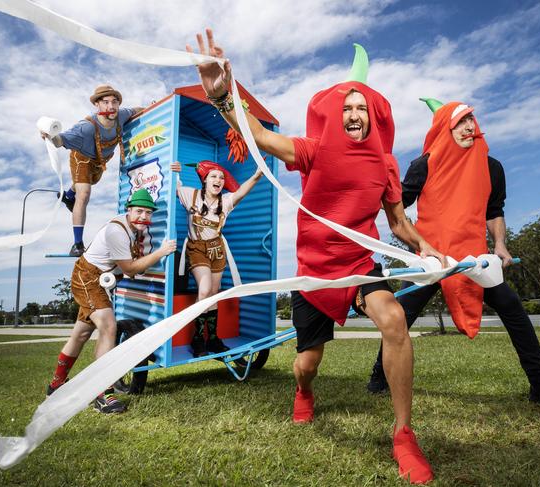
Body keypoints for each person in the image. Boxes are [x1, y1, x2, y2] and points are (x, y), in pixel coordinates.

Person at [187, 29, 446, 484]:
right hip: (314, 271)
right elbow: (263, 138)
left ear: (374, 117)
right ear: (333, 114)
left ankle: (404, 433)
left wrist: (426, 248)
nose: (352, 114)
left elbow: (400, 225)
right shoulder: (314, 150)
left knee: (395, 320)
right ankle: (304, 393)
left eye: (360, 108)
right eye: (345, 108)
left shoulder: (385, 164)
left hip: (361, 264)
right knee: (308, 363)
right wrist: (223, 97)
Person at [366, 98, 540, 414]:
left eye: (471, 120)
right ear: (444, 128)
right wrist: (421, 245)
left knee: (512, 308)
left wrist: (500, 245)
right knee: (400, 316)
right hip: (433, 259)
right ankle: (378, 379)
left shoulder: (491, 167)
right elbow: (397, 207)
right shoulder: (423, 164)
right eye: (460, 121)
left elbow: (494, 212)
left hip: (472, 259)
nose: (469, 127)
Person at [46, 188, 176, 413]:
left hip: (100, 278)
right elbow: (130, 268)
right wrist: (161, 252)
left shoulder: (135, 231)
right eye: (138, 211)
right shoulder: (117, 231)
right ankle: (102, 394)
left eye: (148, 213)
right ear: (129, 210)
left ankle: (56, 385)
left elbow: (130, 269)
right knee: (108, 327)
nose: (143, 217)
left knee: (82, 333)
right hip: (88, 277)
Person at [170, 160, 263, 357]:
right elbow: (173, 187)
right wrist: (175, 172)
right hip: (196, 249)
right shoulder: (190, 195)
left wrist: (256, 176)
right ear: (204, 180)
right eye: (213, 176)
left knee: (213, 293)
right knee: (204, 290)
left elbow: (241, 192)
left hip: (217, 249)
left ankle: (212, 339)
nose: (218, 180)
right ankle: (197, 339)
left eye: (221, 177)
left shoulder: (226, 201)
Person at [41, 84, 144, 256]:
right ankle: (77, 244)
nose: (111, 107)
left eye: (114, 102)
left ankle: (68, 196)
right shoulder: (86, 127)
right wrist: (48, 135)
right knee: (85, 193)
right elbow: (60, 141)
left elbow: (135, 110)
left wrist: (153, 106)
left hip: (100, 162)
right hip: (81, 159)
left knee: (89, 183)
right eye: (105, 102)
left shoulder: (121, 115)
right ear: (97, 104)